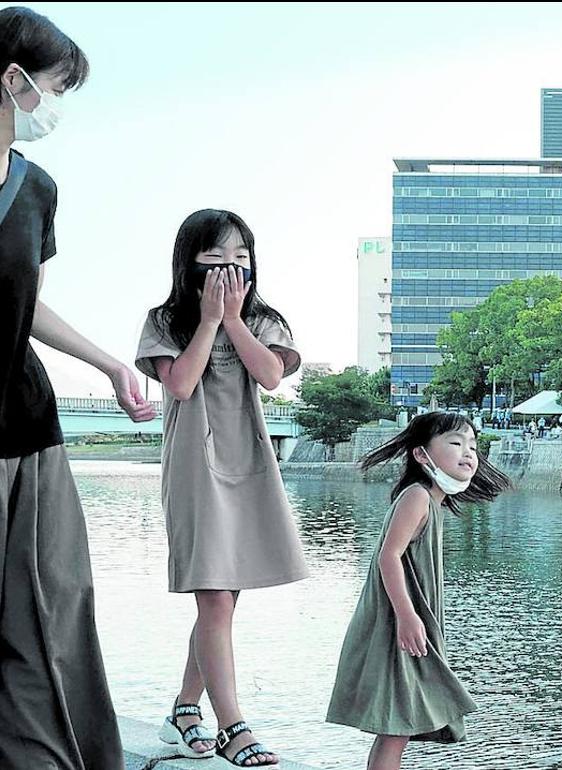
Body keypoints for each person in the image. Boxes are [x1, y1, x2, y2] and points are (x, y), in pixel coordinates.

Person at [0, 9, 158, 768]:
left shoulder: (37, 189)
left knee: (51, 608)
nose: (55, 106)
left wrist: (109, 363)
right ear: (13, 79)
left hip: (28, 424)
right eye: (55, 87)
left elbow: (26, 301)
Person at [136, 210, 307, 766]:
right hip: (194, 465)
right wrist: (208, 320)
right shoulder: (164, 320)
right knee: (213, 596)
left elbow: (271, 376)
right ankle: (233, 725)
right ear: (190, 262)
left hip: (250, 462)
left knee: (224, 600)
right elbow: (181, 383)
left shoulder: (265, 319)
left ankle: (185, 709)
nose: (230, 268)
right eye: (216, 258)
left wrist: (234, 320)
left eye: (240, 257)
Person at [327, 411, 511, 770]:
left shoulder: (431, 500)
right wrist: (408, 617)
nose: (468, 453)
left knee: (397, 728)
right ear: (422, 455)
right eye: (455, 443)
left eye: (473, 445)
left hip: (403, 625)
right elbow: (388, 557)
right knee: (396, 727)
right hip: (397, 626)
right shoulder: (418, 497)